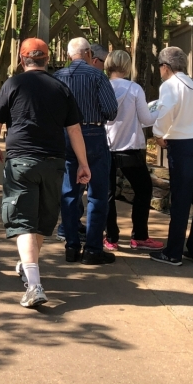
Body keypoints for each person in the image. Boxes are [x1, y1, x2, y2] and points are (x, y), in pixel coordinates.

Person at [0, 39, 91, 308]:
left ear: (23, 60)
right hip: (54, 161)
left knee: (23, 220)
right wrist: (83, 163)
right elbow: (75, 130)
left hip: (21, 160)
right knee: (44, 218)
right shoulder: (60, 87)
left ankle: (34, 283)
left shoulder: (12, 84)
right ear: (47, 60)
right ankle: (28, 266)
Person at [54, 37, 120, 265]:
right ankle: (93, 249)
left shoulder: (58, 77)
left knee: (69, 192)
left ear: (68, 54)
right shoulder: (97, 76)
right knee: (98, 194)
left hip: (65, 136)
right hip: (93, 134)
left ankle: (71, 246)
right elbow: (111, 111)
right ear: (89, 53)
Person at [150, 46, 193, 266]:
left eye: (160, 66)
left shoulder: (170, 85)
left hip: (184, 146)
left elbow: (166, 111)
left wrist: (158, 133)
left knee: (180, 198)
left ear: (166, 66)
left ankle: (173, 252)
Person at [103, 49, 163, 252]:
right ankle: (139, 235)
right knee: (144, 190)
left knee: (108, 194)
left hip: (106, 147)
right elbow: (146, 119)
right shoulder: (134, 89)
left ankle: (111, 237)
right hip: (131, 149)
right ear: (128, 66)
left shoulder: (102, 87)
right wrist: (157, 109)